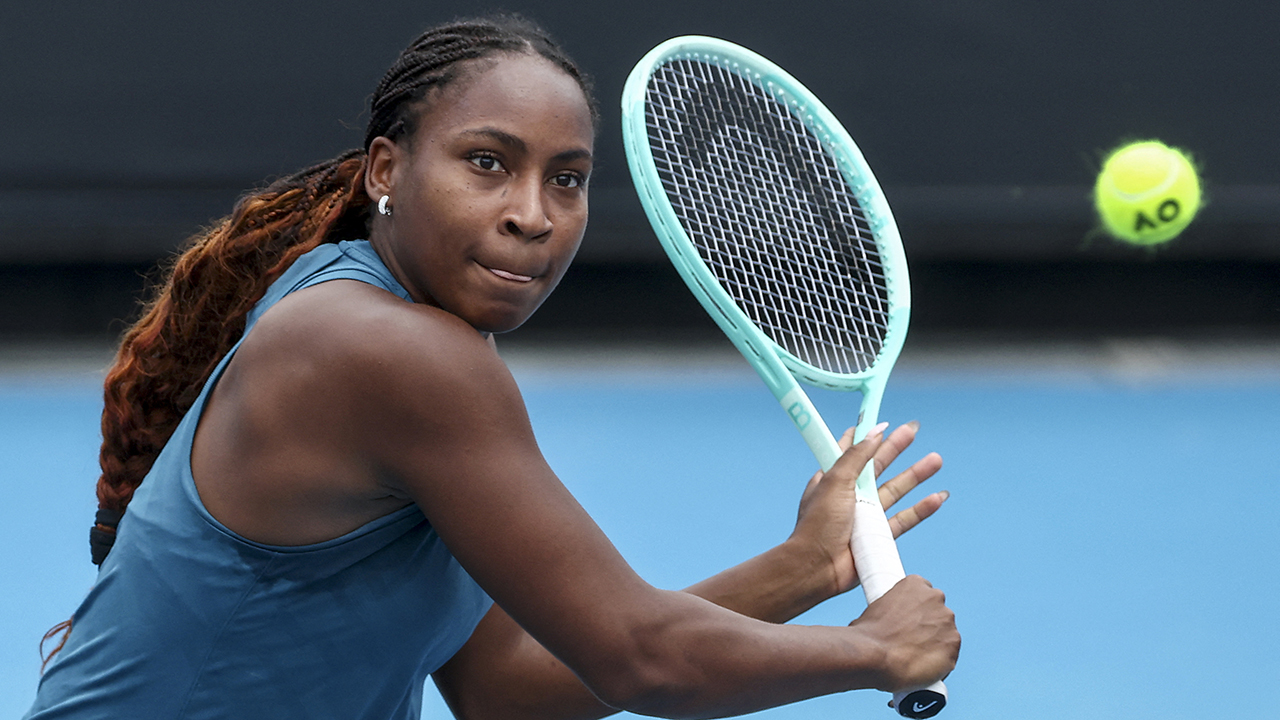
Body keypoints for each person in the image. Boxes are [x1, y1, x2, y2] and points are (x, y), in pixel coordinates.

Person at [27, 14, 959, 720]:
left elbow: (508, 687)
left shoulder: (380, 326)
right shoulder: (392, 353)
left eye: (567, 178)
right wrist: (875, 651)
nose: (533, 213)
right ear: (385, 171)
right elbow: (640, 656)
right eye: (487, 163)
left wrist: (800, 569)